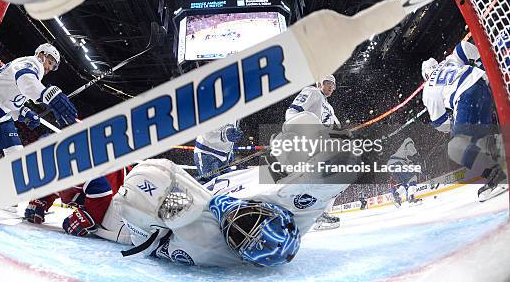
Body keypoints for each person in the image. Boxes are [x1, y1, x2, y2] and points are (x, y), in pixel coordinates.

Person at [113, 112, 359, 267]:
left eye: (239, 236)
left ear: (238, 253)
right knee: (304, 123)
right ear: (279, 213)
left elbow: (142, 195)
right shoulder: (293, 203)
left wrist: (170, 207)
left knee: (151, 184)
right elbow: (344, 161)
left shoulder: (204, 244)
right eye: (255, 217)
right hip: (222, 178)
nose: (237, 219)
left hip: (140, 207)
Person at [0, 43, 77, 158]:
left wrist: (24, 113)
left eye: (52, 67)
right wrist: (51, 96)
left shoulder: (35, 73)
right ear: (41, 55)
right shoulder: (32, 63)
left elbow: (11, 100)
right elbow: (26, 79)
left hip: (1, 116)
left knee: (17, 157)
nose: (48, 68)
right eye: (50, 63)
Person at [421, 49, 506, 201]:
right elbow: (463, 47)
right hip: (484, 84)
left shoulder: (429, 87)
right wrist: (481, 63)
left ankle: (497, 176)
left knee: (456, 147)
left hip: (466, 97)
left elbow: (440, 123)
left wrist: (453, 123)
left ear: (426, 75)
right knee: (480, 138)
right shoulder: (448, 61)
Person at [285, 74, 342, 229]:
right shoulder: (312, 92)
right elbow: (292, 112)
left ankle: (320, 214)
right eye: (328, 83)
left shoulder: (329, 107)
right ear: (319, 83)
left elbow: (337, 129)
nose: (331, 86)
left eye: (333, 84)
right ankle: (315, 216)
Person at [24, 169, 131, 244]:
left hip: (127, 202)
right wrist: (42, 199)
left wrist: (88, 215)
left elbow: (99, 186)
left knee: (131, 238)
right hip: (116, 195)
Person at [387, 137, 422, 207]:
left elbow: (411, 166)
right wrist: (416, 154)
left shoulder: (406, 157)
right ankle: (411, 198)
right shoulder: (408, 140)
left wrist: (418, 169)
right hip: (396, 163)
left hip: (392, 164)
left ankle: (396, 196)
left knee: (406, 183)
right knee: (413, 178)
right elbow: (409, 144)